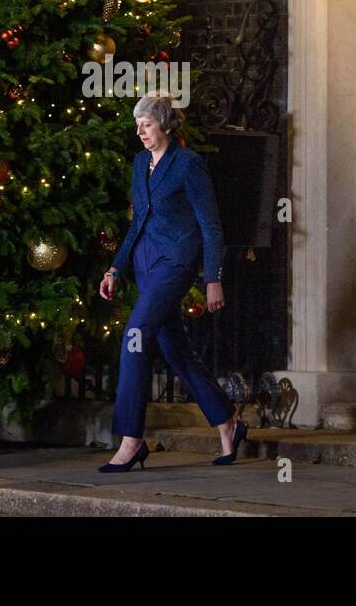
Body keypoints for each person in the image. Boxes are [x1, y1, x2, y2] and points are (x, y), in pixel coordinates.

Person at [96, 92, 247, 472]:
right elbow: (137, 223)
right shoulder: (139, 164)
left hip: (176, 262)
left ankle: (131, 440)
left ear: (164, 124)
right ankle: (227, 421)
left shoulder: (187, 164)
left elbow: (211, 226)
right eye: (137, 126)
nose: (140, 132)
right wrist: (115, 269)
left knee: (134, 335)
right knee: (176, 349)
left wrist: (213, 277)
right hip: (146, 263)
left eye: (146, 124)